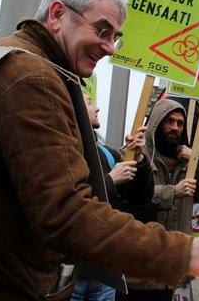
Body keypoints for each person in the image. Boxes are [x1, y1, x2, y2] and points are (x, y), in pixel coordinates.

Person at [0, 0, 199, 301]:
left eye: (115, 37)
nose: (110, 47)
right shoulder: (33, 76)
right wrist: (182, 254)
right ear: (57, 14)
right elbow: (65, 211)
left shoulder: (21, 63)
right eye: (102, 30)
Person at [117, 98, 199, 300]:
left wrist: (198, 160)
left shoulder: (188, 163)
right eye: (169, 121)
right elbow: (124, 202)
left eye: (180, 123)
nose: (175, 128)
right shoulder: (133, 156)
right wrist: (172, 192)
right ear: (156, 123)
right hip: (138, 272)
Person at [71, 94, 152, 301]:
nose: (97, 108)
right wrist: (110, 179)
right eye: (90, 103)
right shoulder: (64, 148)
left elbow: (141, 197)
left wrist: (139, 159)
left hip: (105, 269)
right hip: (72, 269)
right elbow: (65, 198)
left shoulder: (106, 152)